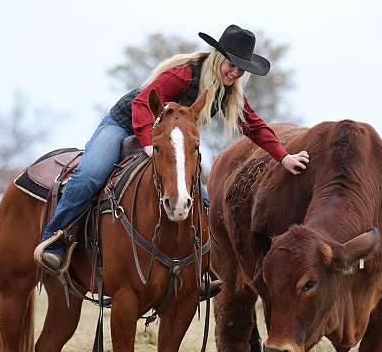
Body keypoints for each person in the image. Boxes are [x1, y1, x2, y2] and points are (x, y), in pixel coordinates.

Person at [35, 24, 310, 280]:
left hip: (168, 141)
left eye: (241, 69)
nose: (235, 73)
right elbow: (142, 102)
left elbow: (255, 126)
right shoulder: (186, 74)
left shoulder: (229, 92)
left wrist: (284, 156)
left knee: (203, 201)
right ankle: (56, 239)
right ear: (218, 58)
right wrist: (146, 141)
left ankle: (204, 268)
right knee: (91, 175)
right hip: (126, 124)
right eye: (232, 65)